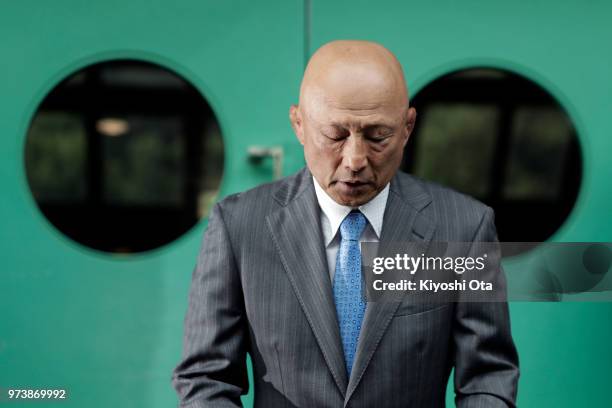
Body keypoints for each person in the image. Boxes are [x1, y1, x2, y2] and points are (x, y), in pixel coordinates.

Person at [172, 40, 519, 407]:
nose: (355, 159)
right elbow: (206, 376)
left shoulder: (465, 228)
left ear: (408, 127)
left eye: (377, 136)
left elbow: (488, 375)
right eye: (335, 135)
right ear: (299, 125)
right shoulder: (238, 226)